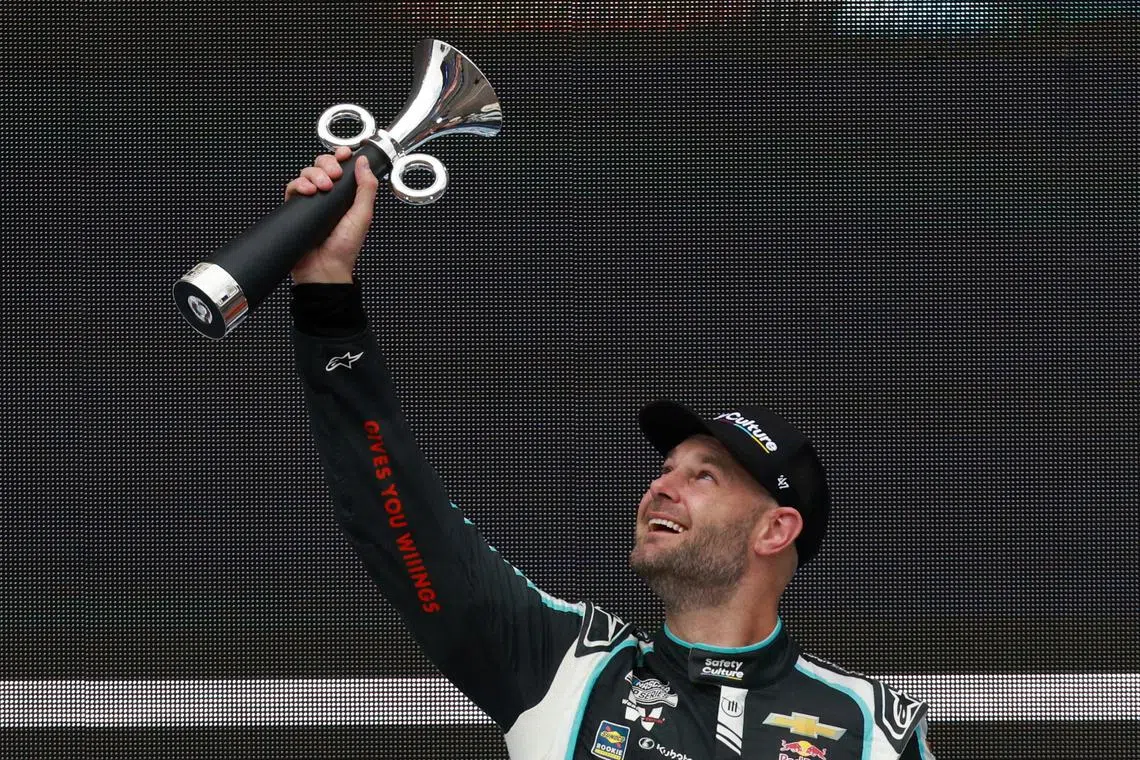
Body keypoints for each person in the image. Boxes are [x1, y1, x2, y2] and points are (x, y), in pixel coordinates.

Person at [287, 147, 936, 759]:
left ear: (776, 528)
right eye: (665, 470)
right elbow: (400, 514)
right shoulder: (560, 666)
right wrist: (326, 296)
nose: (661, 488)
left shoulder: (877, 729)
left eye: (705, 476)